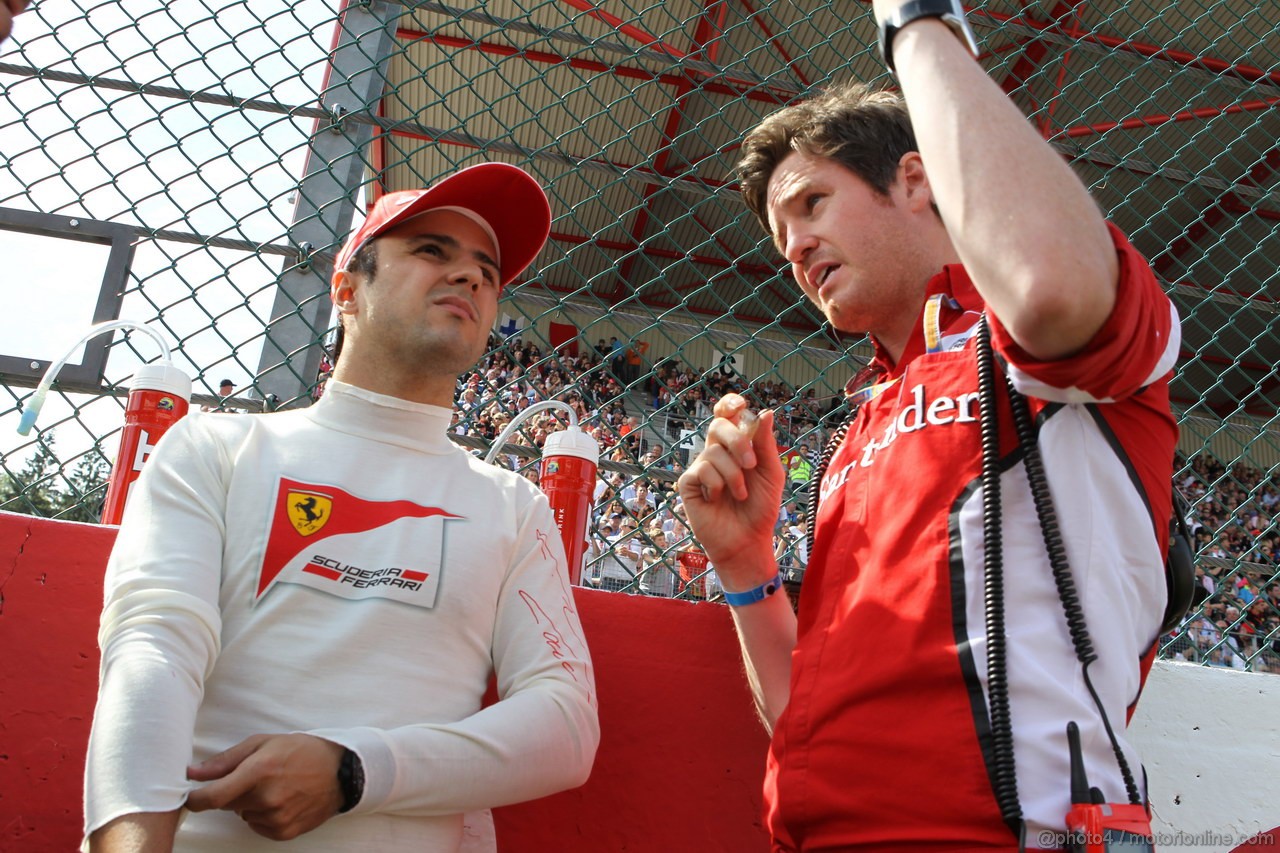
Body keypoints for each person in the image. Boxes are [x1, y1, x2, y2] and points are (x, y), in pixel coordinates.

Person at [676, 4, 1179, 848]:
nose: (795, 246)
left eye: (813, 202)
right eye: (781, 233)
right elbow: (802, 719)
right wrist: (745, 563)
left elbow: (1048, 287)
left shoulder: (1025, 345)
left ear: (915, 180)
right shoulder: (862, 419)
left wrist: (916, 24)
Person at [84, 163, 600, 852]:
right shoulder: (217, 448)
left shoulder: (514, 507)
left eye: (488, 269)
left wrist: (353, 770)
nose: (472, 276)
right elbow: (152, 649)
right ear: (346, 289)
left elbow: (566, 726)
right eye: (431, 250)